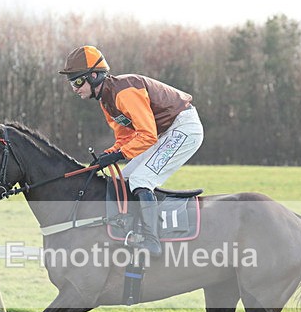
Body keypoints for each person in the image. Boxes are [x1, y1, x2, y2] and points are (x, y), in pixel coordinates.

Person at [59, 45, 204, 256]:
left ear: (94, 75)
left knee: (140, 180)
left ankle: (152, 241)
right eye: (72, 82)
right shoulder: (106, 101)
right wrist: (107, 155)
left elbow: (147, 135)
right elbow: (126, 138)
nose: (74, 88)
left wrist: (119, 155)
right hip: (164, 133)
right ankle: (132, 231)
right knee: (123, 179)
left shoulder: (124, 91)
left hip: (184, 128)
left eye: (78, 81)